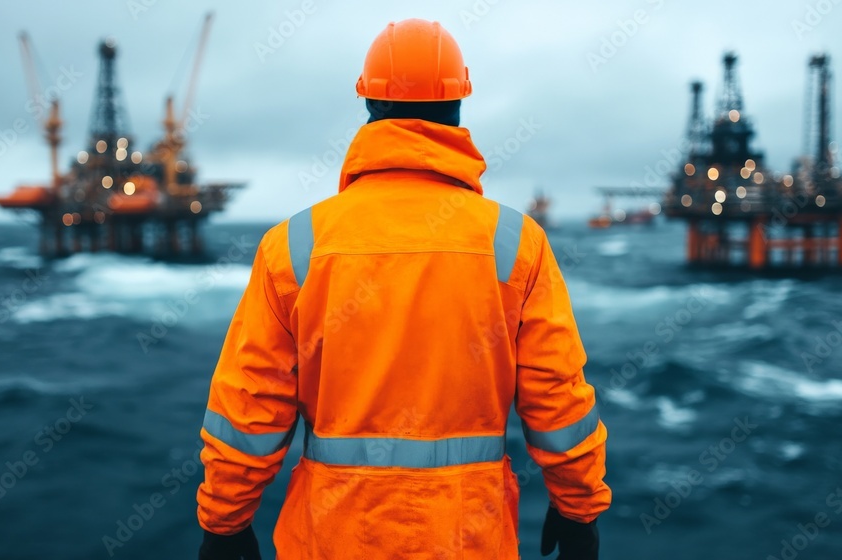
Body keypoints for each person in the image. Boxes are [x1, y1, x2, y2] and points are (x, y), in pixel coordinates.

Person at [196, 18, 610, 560]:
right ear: (458, 108)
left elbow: (248, 403)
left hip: (332, 539)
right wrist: (579, 510)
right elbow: (558, 399)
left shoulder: (294, 245)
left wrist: (224, 524)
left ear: (370, 107)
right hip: (468, 540)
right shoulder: (515, 244)